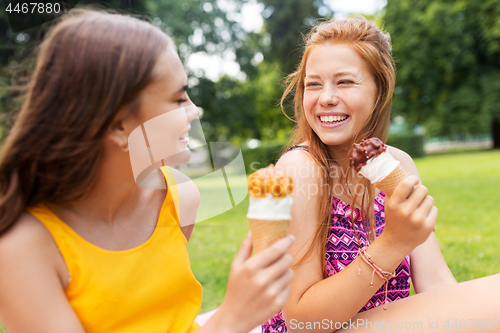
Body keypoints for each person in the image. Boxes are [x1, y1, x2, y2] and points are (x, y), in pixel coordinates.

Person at [0, 10, 295, 333]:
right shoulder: (22, 247)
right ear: (118, 126)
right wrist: (230, 320)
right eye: (178, 98)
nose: (194, 110)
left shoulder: (179, 196)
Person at [263, 17, 500, 333]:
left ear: (380, 90)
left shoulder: (398, 163)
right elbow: (302, 321)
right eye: (313, 83)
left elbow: (436, 284)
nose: (326, 97)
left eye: (344, 82)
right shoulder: (299, 169)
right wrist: (392, 243)